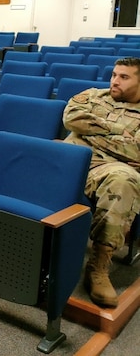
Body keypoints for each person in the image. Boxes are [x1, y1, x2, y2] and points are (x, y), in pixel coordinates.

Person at [63, 57, 140, 308]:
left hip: (107, 170)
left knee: (125, 179)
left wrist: (89, 133)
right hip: (70, 160)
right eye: (114, 74)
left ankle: (98, 265)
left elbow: (137, 152)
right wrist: (117, 132)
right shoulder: (95, 95)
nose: (115, 81)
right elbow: (71, 118)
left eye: (124, 77)